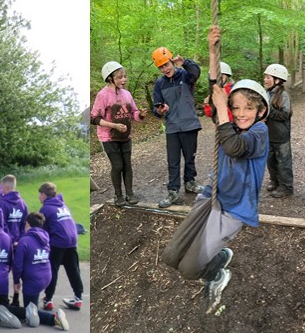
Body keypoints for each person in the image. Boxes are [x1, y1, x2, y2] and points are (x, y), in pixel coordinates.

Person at [162, 26, 269, 314]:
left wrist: (223, 109)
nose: (241, 113)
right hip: (211, 198)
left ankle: (216, 272)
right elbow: (214, 89)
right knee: (171, 256)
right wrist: (212, 51)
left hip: (233, 209)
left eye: (249, 108)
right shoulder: (230, 124)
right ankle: (218, 255)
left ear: (260, 111)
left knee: (189, 269)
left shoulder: (259, 132)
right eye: (236, 108)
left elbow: (235, 147)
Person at [152, 46, 203, 208]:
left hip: (189, 125)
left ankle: (190, 183)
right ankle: (173, 191)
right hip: (172, 127)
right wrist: (160, 110)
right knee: (173, 161)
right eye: (161, 67)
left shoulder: (185, 76)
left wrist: (185, 62)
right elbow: (156, 108)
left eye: (166, 65)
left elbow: (196, 72)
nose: (164, 69)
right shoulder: (159, 84)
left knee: (190, 157)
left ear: (172, 61)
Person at [94, 61, 143, 206]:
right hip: (108, 137)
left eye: (125, 77)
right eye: (120, 77)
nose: (124, 80)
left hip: (125, 136)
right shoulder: (103, 95)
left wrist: (140, 115)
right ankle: (118, 195)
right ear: (110, 78)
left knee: (127, 165)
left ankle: (130, 194)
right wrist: (114, 125)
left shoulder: (127, 94)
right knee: (117, 166)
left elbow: (134, 113)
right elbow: (95, 118)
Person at [7, 212, 66, 329]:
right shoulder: (45, 237)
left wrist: (16, 281)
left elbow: (17, 265)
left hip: (33, 280)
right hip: (46, 276)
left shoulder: (25, 241)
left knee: (30, 313)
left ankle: (53, 318)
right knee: (31, 307)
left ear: (27, 224)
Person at [39, 182, 83, 313]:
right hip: (72, 240)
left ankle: (48, 299)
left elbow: (43, 231)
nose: (39, 197)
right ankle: (78, 297)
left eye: (39, 194)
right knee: (73, 268)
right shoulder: (63, 205)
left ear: (43, 195)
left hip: (58, 242)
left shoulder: (45, 209)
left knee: (52, 270)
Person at [263, 63, 294, 198]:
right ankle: (275, 181)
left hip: (281, 135)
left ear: (277, 80)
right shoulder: (267, 93)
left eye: (268, 77)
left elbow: (285, 114)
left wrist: (268, 111)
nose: (265, 80)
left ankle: (286, 187)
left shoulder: (283, 95)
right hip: (269, 134)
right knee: (271, 161)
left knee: (283, 162)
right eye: (265, 77)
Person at [0, 176, 27, 251]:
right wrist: (21, 240)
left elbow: (2, 224)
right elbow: (25, 224)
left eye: (1, 187)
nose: (0, 190)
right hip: (19, 242)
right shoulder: (23, 203)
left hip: (6, 242)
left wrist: (11, 240)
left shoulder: (2, 204)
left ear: (6, 187)